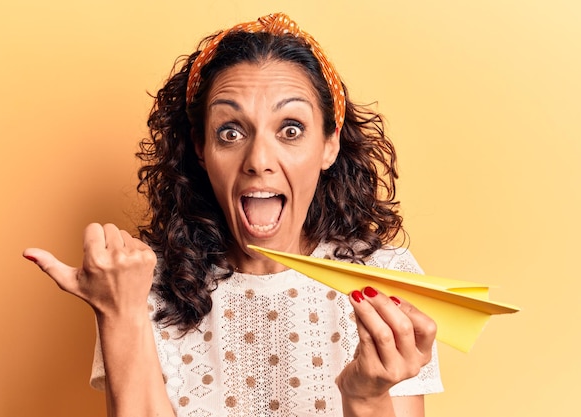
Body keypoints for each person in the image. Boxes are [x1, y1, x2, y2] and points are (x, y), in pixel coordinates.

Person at [23, 12, 442, 417]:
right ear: (201, 148)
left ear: (329, 144)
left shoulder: (386, 281)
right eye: (231, 131)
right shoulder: (138, 286)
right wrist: (119, 313)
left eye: (290, 129)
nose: (258, 160)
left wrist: (365, 398)